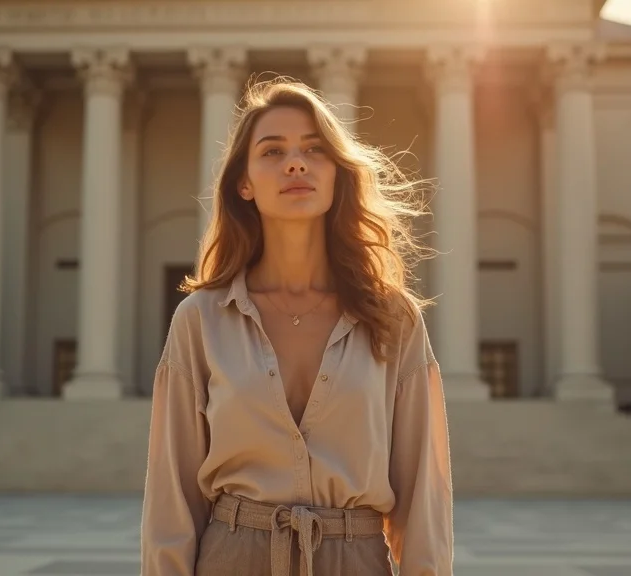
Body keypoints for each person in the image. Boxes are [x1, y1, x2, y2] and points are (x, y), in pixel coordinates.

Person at [140, 77, 453, 576]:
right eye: (272, 151)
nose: (295, 163)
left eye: (314, 149)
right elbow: (170, 497)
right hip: (231, 558)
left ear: (337, 174)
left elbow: (424, 497)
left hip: (357, 559)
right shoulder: (201, 319)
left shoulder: (394, 318)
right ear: (244, 183)